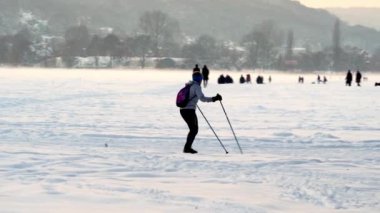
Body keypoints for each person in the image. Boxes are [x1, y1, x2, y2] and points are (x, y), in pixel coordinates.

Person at [180, 72, 222, 154]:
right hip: (189, 110)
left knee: (193, 129)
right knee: (194, 129)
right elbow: (202, 98)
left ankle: (187, 147)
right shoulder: (196, 87)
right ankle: (187, 148)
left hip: (184, 110)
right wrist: (214, 98)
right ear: (200, 79)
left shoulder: (189, 85)